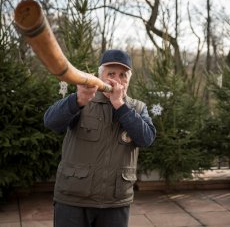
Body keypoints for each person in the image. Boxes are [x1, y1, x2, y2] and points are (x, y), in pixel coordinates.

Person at [44, 49, 156, 227]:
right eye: (111, 73)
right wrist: (78, 100)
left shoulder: (138, 107)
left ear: (129, 79)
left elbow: (146, 139)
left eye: (123, 75)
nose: (117, 80)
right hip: (73, 200)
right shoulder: (83, 99)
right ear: (100, 75)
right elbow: (51, 122)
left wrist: (120, 106)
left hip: (115, 203)